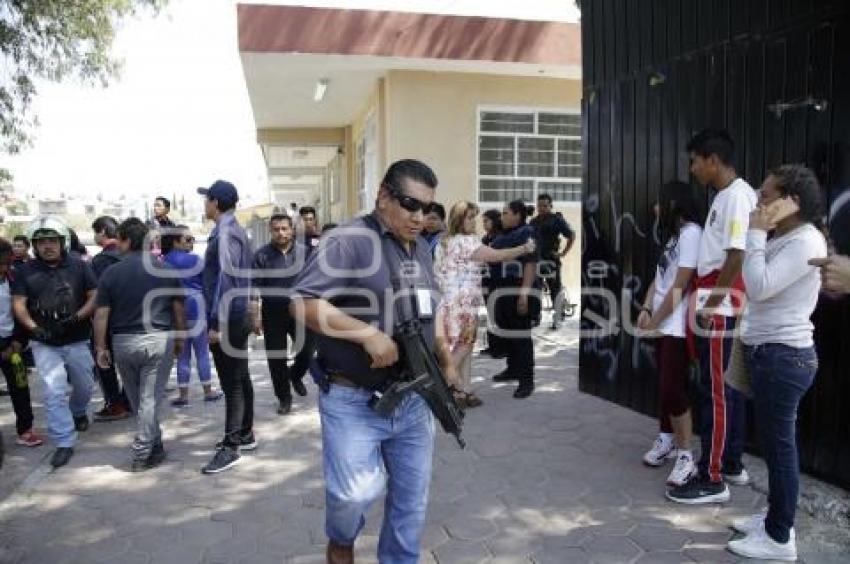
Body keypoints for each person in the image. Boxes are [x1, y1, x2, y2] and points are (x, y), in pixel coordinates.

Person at [289, 159, 456, 564]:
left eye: (428, 209)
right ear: (383, 196)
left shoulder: (420, 249)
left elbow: (429, 308)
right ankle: (341, 541)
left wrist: (446, 361)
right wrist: (366, 334)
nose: (420, 217)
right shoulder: (349, 240)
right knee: (353, 495)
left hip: (415, 400)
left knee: (411, 505)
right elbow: (302, 303)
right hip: (354, 400)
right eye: (410, 204)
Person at [726, 165, 827, 561]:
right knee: (772, 444)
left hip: (784, 357)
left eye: (766, 196)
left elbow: (759, 285)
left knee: (780, 448)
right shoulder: (787, 237)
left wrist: (753, 232)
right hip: (769, 353)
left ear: (792, 202)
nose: (759, 203)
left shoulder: (805, 242)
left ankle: (779, 538)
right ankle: (773, 518)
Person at [667, 129, 757, 504]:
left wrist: (710, 302)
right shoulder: (725, 196)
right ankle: (731, 462)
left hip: (720, 302)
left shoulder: (736, 196)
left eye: (695, 161)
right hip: (717, 297)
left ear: (713, 160)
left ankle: (712, 477)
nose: (692, 169)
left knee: (715, 393)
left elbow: (736, 256)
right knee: (725, 389)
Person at [93, 218, 187, 471]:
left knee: (139, 401)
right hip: (158, 341)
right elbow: (179, 309)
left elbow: (101, 314)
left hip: (122, 343)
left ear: (125, 240)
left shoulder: (111, 273)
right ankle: (143, 451)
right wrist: (180, 339)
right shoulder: (165, 269)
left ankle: (155, 447)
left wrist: (100, 348)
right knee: (147, 401)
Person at [12, 216, 98, 468]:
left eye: (52, 240)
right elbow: (18, 303)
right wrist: (34, 329)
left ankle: (79, 411)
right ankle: (64, 442)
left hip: (77, 338)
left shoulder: (80, 266)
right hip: (45, 343)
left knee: (85, 385)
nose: (47, 245)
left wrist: (76, 317)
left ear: (62, 242)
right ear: (34, 245)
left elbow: (94, 295)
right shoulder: (24, 270)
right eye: (41, 241)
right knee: (53, 391)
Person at [436, 201, 535, 409]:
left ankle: (464, 391)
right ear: (459, 220)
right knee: (463, 346)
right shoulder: (467, 242)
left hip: (449, 302)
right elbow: (499, 256)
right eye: (470, 217)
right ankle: (440, 384)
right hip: (463, 304)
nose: (475, 222)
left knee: (464, 347)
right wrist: (525, 248)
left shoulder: (445, 241)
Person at [637, 181, 703, 486]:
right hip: (662, 323)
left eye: (660, 203)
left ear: (674, 204)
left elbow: (681, 285)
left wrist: (658, 318)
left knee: (672, 389)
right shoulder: (674, 238)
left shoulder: (692, 234)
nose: (655, 208)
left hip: (676, 326)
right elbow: (659, 279)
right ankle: (666, 440)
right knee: (664, 387)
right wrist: (647, 309)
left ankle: (686, 455)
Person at [197, 180, 255, 474]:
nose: (204, 204)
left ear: (216, 203)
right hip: (236, 314)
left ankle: (232, 446)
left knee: (232, 381)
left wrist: (217, 324)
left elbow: (226, 279)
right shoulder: (231, 229)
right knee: (241, 376)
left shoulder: (227, 232)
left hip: (228, 318)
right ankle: (245, 434)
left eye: (206, 199)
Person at [251, 214, 315, 415]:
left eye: (284, 228)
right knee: (276, 357)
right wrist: (255, 315)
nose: (281, 233)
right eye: (276, 229)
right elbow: (254, 288)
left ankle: (295, 375)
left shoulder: (307, 253)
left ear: (292, 230)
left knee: (307, 350)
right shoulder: (261, 255)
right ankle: (284, 397)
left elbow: (316, 281)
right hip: (273, 313)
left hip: (301, 311)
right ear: (271, 230)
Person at [162, 225, 221, 406]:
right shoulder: (196, 260)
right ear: (175, 241)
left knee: (182, 354)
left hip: (174, 309)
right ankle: (208, 391)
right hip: (197, 306)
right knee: (202, 352)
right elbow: (210, 284)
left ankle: (184, 395)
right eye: (188, 239)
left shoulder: (163, 262)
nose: (192, 243)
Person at [489, 200, 541, 399]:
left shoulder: (527, 232)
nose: (502, 217)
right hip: (501, 291)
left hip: (518, 290)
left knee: (521, 337)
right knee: (507, 334)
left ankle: (526, 381)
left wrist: (524, 294)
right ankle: (512, 369)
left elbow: (530, 264)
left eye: (505, 213)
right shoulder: (503, 235)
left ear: (517, 215)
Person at [0, 238, 43, 448]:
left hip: (13, 343)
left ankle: (25, 429)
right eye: (1, 264)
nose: (5, 268)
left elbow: (24, 310)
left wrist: (18, 341)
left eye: (7, 263)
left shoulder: (15, 279)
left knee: (20, 386)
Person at [89, 216, 132, 421]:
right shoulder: (130, 257)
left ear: (103, 232)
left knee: (104, 362)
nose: (95, 236)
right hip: (130, 319)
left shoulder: (99, 261)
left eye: (95, 232)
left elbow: (97, 297)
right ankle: (129, 400)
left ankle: (114, 404)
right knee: (130, 364)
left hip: (107, 320)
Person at [530, 193, 576, 328]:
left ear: (550, 206)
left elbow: (571, 235)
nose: (541, 208)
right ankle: (535, 317)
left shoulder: (557, 220)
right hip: (536, 260)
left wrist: (563, 253)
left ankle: (558, 316)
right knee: (535, 288)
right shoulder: (534, 222)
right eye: (539, 206)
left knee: (554, 288)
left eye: (545, 206)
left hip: (551, 259)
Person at [479, 209, 506, 359]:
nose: (484, 224)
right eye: (483, 221)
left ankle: (502, 348)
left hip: (498, 280)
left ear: (495, 221)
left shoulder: (501, 238)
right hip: (486, 279)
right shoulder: (485, 238)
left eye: (486, 221)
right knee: (490, 314)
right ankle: (492, 345)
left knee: (498, 313)